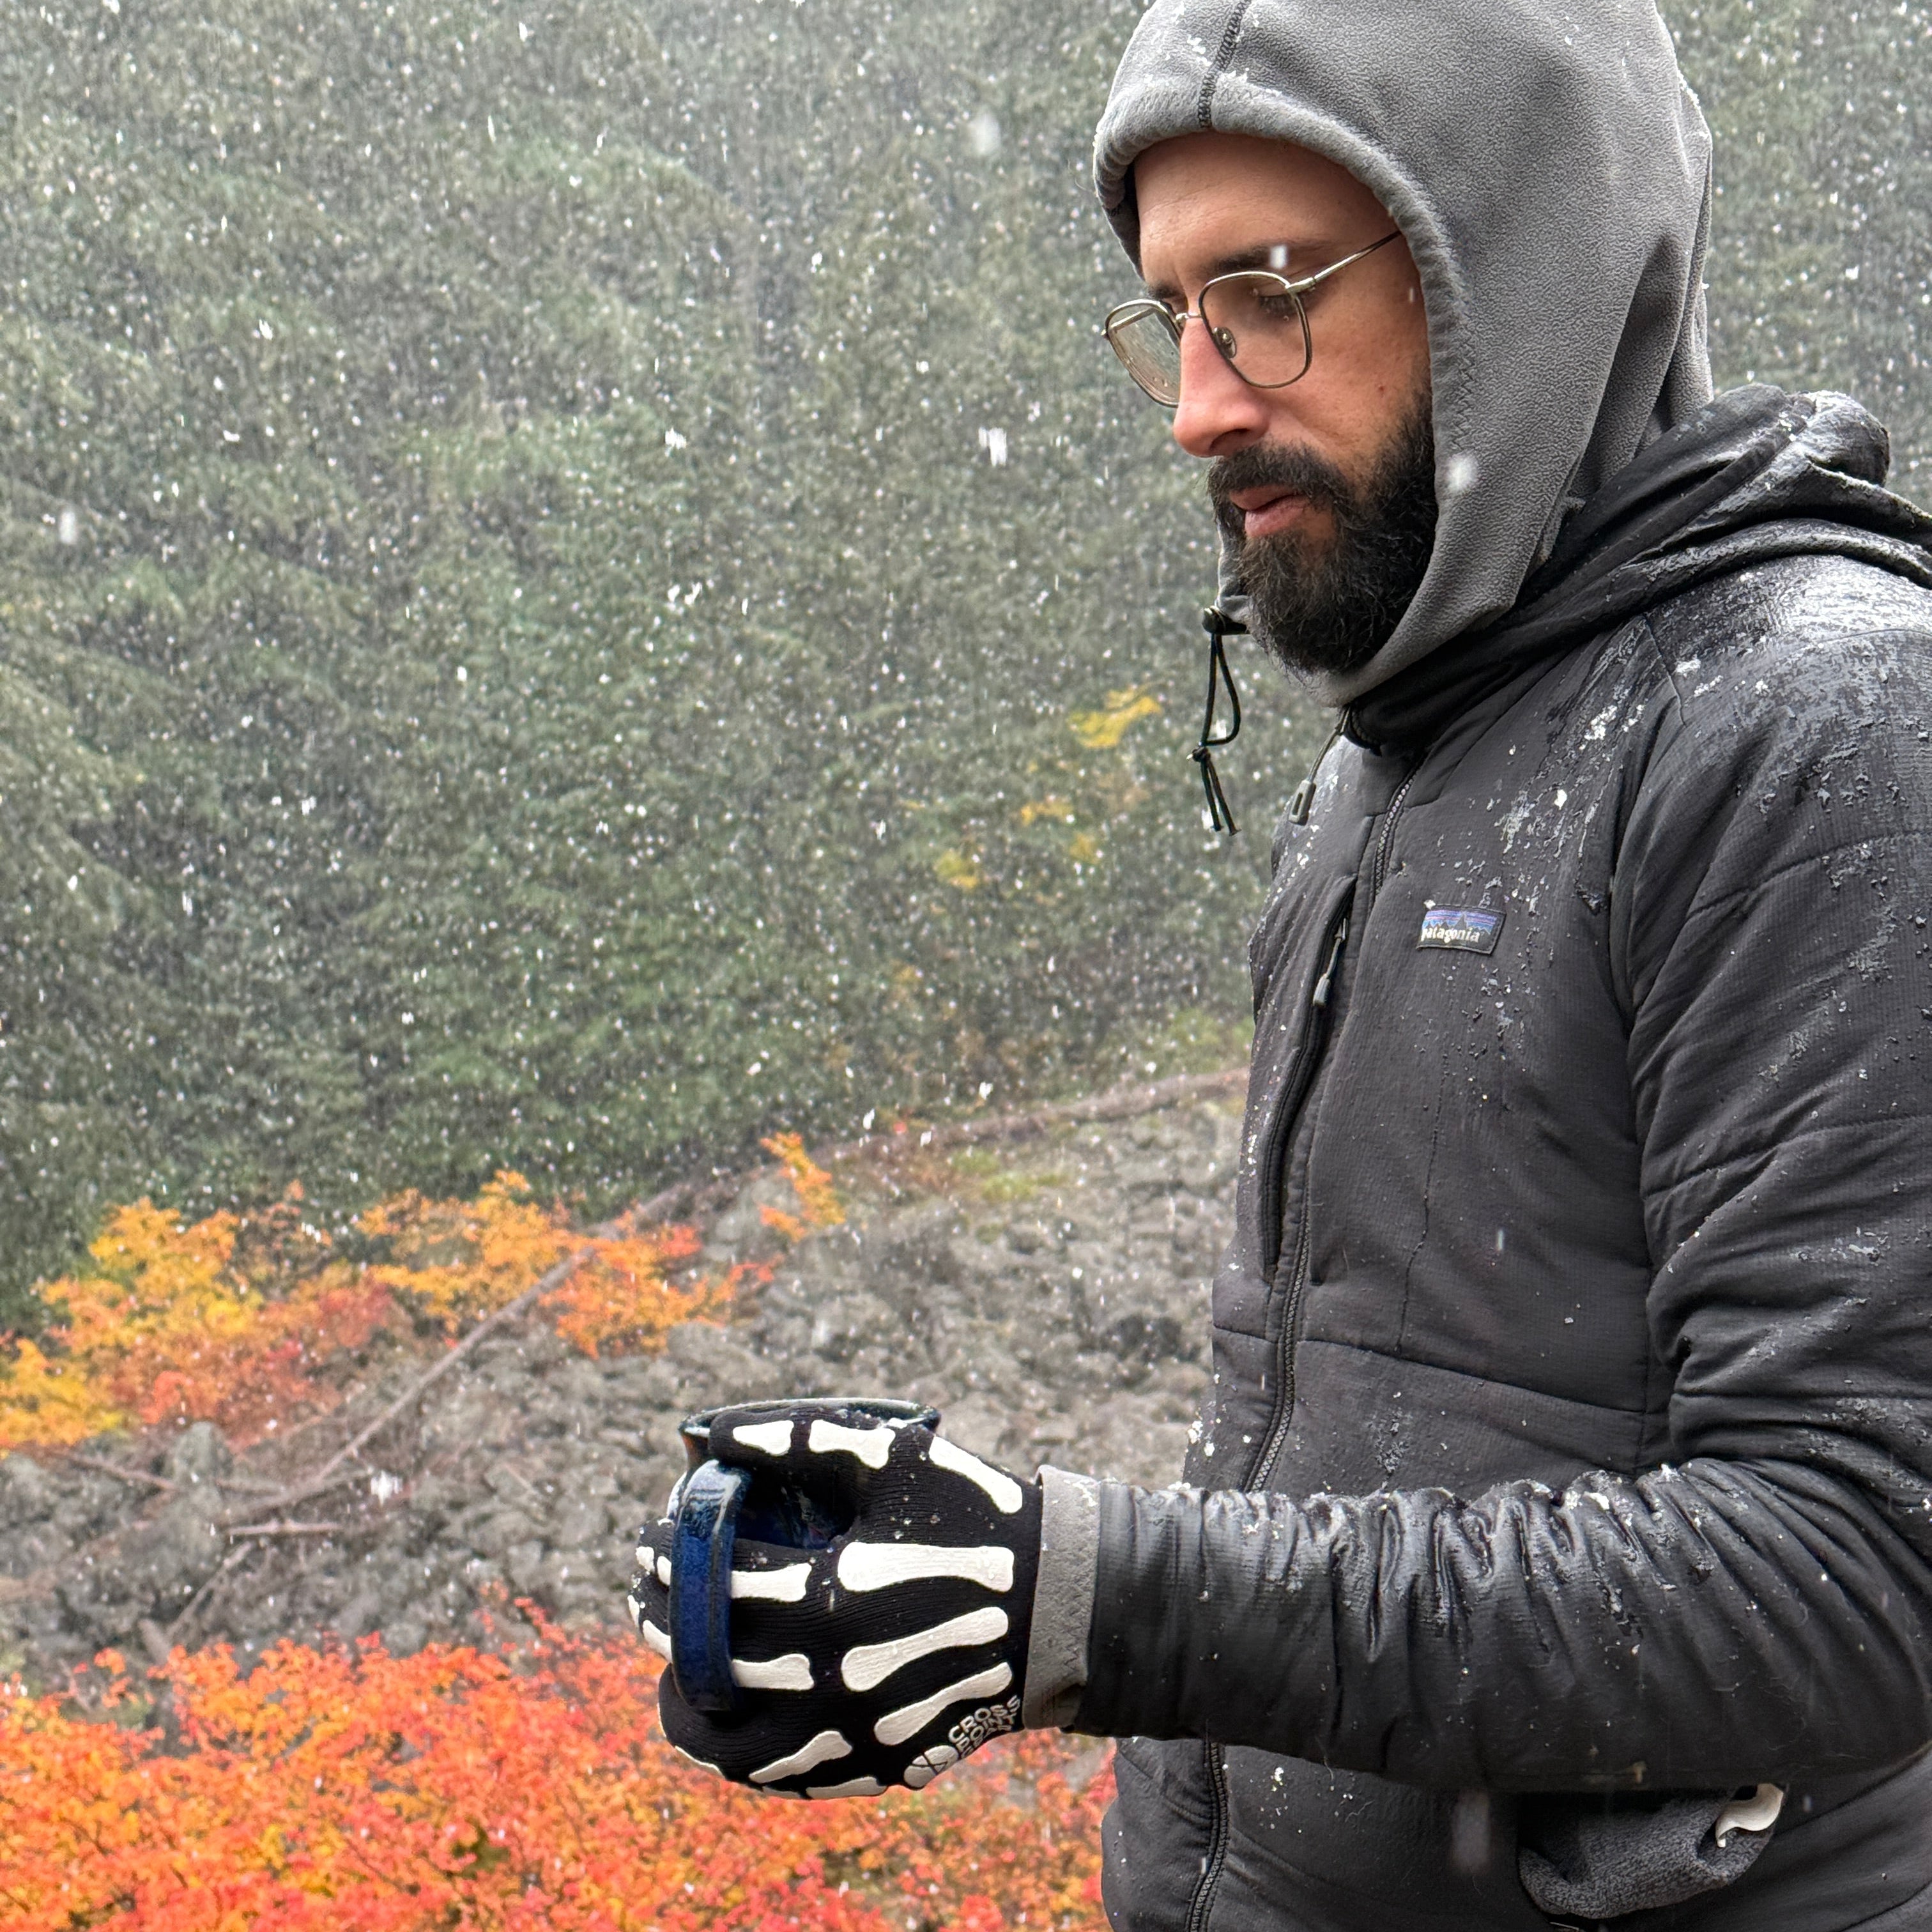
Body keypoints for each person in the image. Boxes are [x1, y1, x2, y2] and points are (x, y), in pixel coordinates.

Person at [629, 1, 1932, 1924]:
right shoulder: (1399, 757)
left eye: (1269, 291)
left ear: (1521, 272)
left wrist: (1082, 1600)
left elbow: (1857, 1572)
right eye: (1173, 312)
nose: (1198, 402)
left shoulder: (1817, 725)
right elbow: (1372, 1432)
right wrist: (966, 1565)